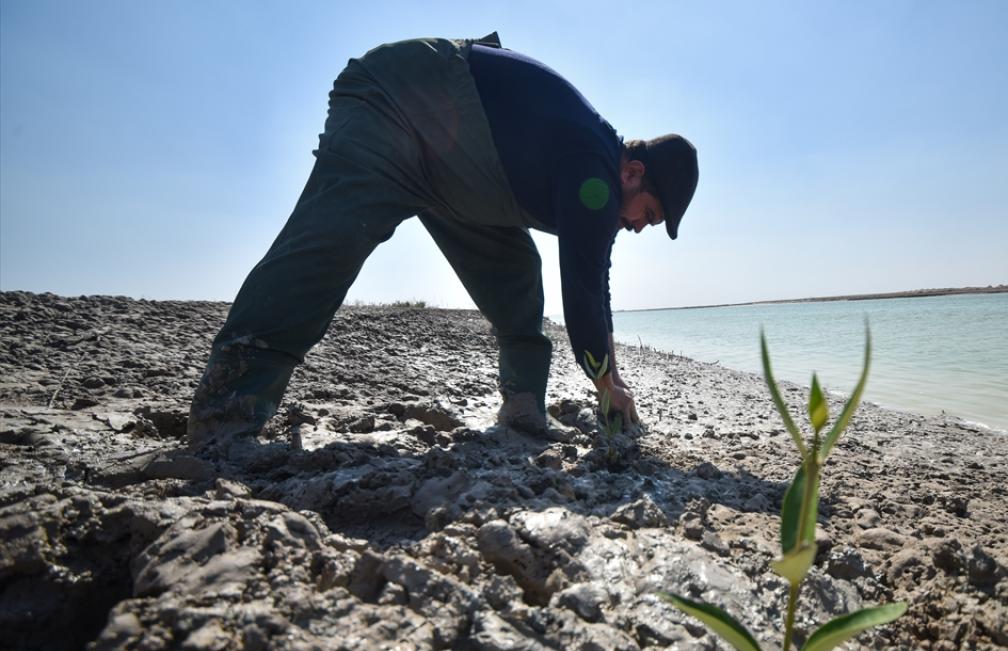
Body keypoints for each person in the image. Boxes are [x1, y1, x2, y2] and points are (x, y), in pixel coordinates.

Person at [186, 32, 698, 445]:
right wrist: (607, 385)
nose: (636, 227)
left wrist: (615, 380)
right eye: (648, 215)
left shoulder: (596, 168)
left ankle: (522, 412)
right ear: (632, 173)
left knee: (515, 272)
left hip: (458, 168)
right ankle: (228, 410)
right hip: (396, 104)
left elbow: (596, 286)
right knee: (330, 245)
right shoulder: (594, 172)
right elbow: (583, 284)